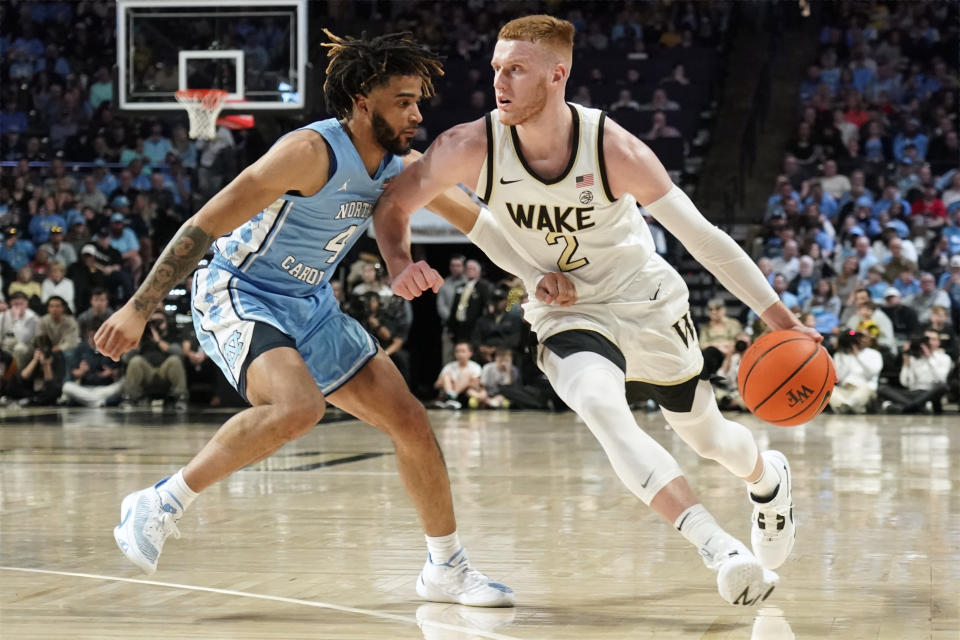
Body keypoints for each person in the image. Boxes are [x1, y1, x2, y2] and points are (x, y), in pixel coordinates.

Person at [373, 15, 821, 606]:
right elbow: (394, 204)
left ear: (557, 75)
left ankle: (767, 479)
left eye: (516, 70)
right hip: (567, 312)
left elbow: (704, 238)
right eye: (496, 69)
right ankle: (722, 550)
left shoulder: (614, 149)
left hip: (643, 298)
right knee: (602, 408)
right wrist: (402, 262)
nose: (499, 82)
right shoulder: (469, 146)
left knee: (707, 435)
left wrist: (781, 320)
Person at [94, 30, 512, 608]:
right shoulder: (309, 152)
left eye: (419, 100)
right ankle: (162, 501)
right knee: (298, 407)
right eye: (404, 100)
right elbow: (204, 224)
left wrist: (545, 271)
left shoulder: (399, 166)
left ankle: (447, 568)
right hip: (239, 290)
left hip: (311, 302)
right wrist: (138, 307)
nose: (418, 113)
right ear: (364, 100)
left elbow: (479, 221)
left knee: (411, 421)